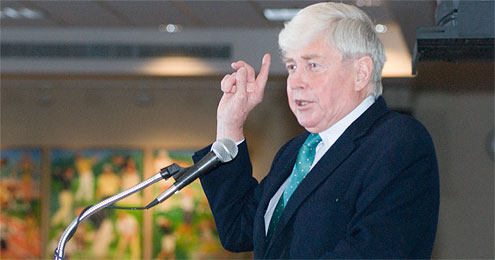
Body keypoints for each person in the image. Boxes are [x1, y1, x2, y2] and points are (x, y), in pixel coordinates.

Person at [193, 2, 439, 259]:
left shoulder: (398, 141)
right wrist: (230, 125)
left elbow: (374, 251)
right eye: (292, 67)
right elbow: (238, 230)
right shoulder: (296, 152)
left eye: (312, 66)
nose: (296, 82)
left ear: (361, 73)